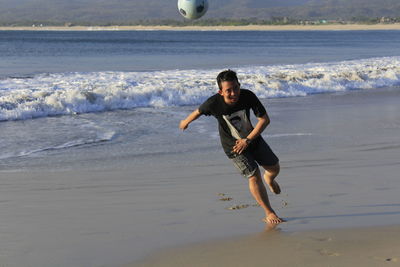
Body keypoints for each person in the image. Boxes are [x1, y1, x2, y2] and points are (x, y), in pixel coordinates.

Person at [179, 70, 284, 224]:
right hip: (233, 145)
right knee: (253, 175)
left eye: (236, 88)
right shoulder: (213, 103)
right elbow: (198, 111)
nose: (233, 93)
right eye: (228, 90)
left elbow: (264, 120)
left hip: (251, 138)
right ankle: (269, 212)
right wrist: (185, 122)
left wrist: (247, 140)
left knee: (274, 167)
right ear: (220, 92)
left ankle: (269, 179)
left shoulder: (248, 96)